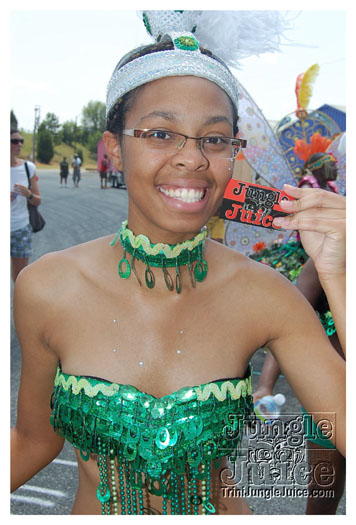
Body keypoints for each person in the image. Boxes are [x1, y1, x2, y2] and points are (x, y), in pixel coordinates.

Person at [11, 11, 345, 516]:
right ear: (114, 152)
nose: (193, 158)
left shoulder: (266, 294)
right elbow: (35, 441)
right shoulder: (47, 288)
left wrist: (341, 274)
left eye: (215, 139)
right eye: (161, 134)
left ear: (235, 152)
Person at [253, 258, 345, 514]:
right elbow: (288, 324)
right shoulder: (322, 261)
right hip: (330, 395)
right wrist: (265, 386)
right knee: (323, 491)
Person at [10, 129, 42, 282]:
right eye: (14, 141)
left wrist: (28, 194)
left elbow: (37, 200)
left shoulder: (28, 168)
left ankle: (17, 306)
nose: (19, 144)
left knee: (20, 278)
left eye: (21, 141)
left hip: (21, 227)